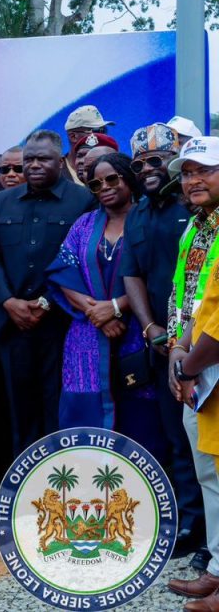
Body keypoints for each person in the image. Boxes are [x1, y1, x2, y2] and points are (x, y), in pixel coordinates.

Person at [0, 129, 96, 456]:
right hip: (13, 324)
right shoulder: (0, 203)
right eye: (28, 159)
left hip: (62, 323)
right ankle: (26, 483)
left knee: (57, 403)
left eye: (42, 159)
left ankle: (60, 480)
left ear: (59, 162)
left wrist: (46, 301)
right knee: (19, 406)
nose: (33, 165)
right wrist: (9, 301)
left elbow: (80, 258)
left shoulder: (82, 200)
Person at [122, 123, 203, 562]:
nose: (148, 169)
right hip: (160, 346)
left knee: (205, 441)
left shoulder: (194, 207)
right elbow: (131, 273)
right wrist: (151, 327)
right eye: (139, 164)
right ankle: (191, 525)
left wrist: (181, 339)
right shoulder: (137, 212)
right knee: (176, 437)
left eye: (156, 160)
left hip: (202, 343)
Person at [46, 153, 159, 444]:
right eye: (95, 184)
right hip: (87, 332)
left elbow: (159, 276)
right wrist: (95, 312)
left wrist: (115, 308)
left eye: (112, 179)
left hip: (137, 329)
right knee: (85, 414)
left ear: (128, 178)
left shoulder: (148, 219)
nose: (105, 187)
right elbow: (62, 270)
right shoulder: (84, 225)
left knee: (139, 411)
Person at [165, 137, 219, 605]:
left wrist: (189, 363)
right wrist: (175, 351)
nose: (193, 180)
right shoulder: (193, 227)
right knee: (208, 473)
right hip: (194, 366)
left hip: (210, 364)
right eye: (185, 172)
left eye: (204, 170)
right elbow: (184, 297)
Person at [64, 105, 114, 182]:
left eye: (104, 130)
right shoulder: (55, 175)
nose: (102, 136)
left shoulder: (113, 168)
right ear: (73, 136)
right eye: (96, 131)